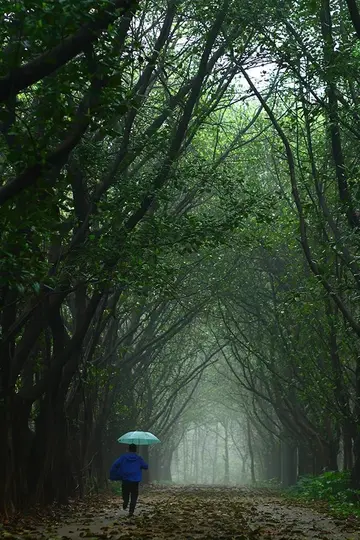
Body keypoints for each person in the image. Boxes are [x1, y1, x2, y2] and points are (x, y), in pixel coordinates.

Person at [109, 444, 148, 517]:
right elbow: (145, 466)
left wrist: (114, 475)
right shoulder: (139, 458)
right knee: (134, 495)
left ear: (128, 449)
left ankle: (125, 501)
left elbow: (115, 464)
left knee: (125, 493)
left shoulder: (123, 457)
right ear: (136, 450)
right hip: (135, 480)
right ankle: (131, 511)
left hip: (125, 479)